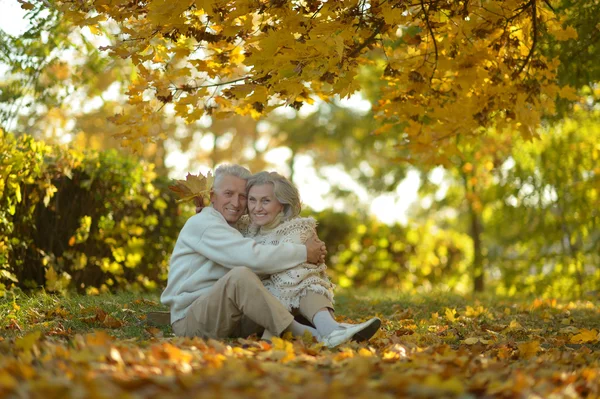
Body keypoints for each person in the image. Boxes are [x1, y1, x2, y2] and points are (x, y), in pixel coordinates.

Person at [161, 164, 367, 348]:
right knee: (241, 276)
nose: (236, 202)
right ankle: (311, 334)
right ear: (212, 196)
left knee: (292, 270)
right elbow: (252, 257)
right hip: (192, 320)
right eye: (228, 194)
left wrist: (302, 244)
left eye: (243, 196)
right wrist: (304, 252)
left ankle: (329, 327)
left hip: (229, 316)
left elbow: (268, 247)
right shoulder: (203, 224)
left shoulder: (232, 224)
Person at [242, 171, 381, 344]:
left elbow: (280, 265)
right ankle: (328, 331)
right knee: (294, 270)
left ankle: (329, 329)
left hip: (297, 301)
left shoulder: (298, 229)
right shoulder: (245, 228)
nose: (257, 207)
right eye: (252, 200)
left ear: (282, 204)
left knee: (302, 274)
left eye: (266, 201)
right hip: (259, 306)